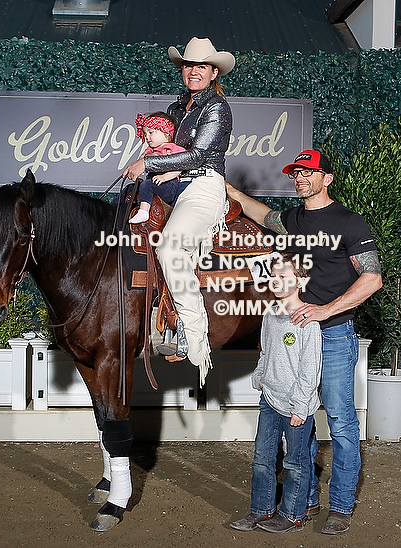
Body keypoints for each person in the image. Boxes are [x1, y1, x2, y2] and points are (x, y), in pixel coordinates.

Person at [226, 149, 383, 535]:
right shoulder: (293, 220)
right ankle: (304, 500)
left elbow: (372, 279)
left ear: (326, 178)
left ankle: (341, 506)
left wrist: (325, 310)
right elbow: (262, 213)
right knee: (302, 421)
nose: (300, 178)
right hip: (293, 337)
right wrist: (226, 189)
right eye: (296, 173)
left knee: (341, 423)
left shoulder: (349, 222)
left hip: (332, 335)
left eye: (308, 172)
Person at [123, 37, 235, 384]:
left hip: (202, 185)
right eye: (188, 65)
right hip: (171, 182)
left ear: (213, 72)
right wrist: (151, 164)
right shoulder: (175, 108)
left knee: (171, 247)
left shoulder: (217, 107)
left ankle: (191, 330)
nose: (193, 71)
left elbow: (198, 155)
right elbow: (166, 147)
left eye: (201, 66)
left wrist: (147, 163)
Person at [231, 252, 322, 534]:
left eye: (283, 276)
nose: (276, 281)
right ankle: (261, 510)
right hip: (269, 400)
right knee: (262, 459)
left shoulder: (308, 322)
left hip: (296, 406)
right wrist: (260, 376)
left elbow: (310, 369)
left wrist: (301, 406)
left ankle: (293, 514)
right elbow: (265, 351)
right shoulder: (270, 314)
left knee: (295, 462)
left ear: (301, 281)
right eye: (273, 275)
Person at [128, 112, 186, 224]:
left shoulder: (174, 149)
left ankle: (143, 212)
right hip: (153, 181)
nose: (147, 137)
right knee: (132, 189)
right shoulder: (149, 150)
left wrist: (164, 177)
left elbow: (179, 167)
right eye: (145, 134)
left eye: (151, 132)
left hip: (168, 184)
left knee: (147, 185)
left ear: (166, 133)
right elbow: (141, 162)